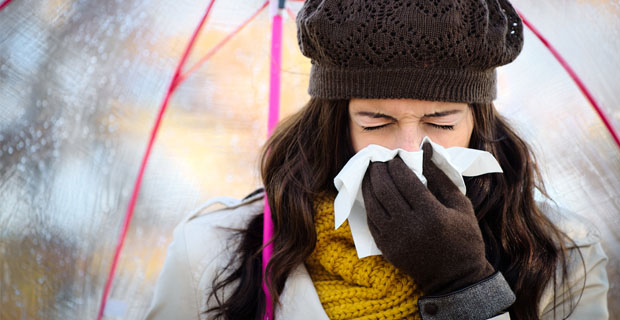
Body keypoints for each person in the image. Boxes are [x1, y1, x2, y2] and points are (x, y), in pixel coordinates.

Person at [145, 0, 609, 319]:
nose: (410, 150)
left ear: (478, 122)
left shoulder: (562, 257)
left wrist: (466, 288)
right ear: (334, 124)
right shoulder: (211, 252)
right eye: (375, 121)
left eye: (441, 123)